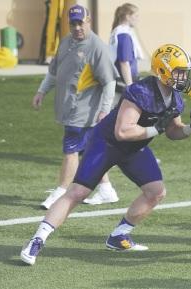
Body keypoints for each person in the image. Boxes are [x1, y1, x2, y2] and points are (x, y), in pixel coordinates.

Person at [20, 43, 191, 265]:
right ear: (163, 70)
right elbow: (123, 131)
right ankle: (37, 239)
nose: (184, 77)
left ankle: (118, 236)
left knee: (155, 192)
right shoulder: (141, 91)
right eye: (179, 72)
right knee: (78, 192)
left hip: (134, 149)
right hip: (106, 143)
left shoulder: (175, 98)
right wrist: (156, 128)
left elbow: (173, 131)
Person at [34, 5, 120, 209]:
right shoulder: (65, 42)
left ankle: (61, 192)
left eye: (80, 22)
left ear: (88, 21)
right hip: (68, 107)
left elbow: (109, 82)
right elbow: (54, 72)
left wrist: (104, 110)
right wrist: (41, 91)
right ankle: (107, 189)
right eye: (73, 23)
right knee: (89, 150)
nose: (77, 27)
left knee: (71, 149)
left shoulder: (98, 47)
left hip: (85, 110)